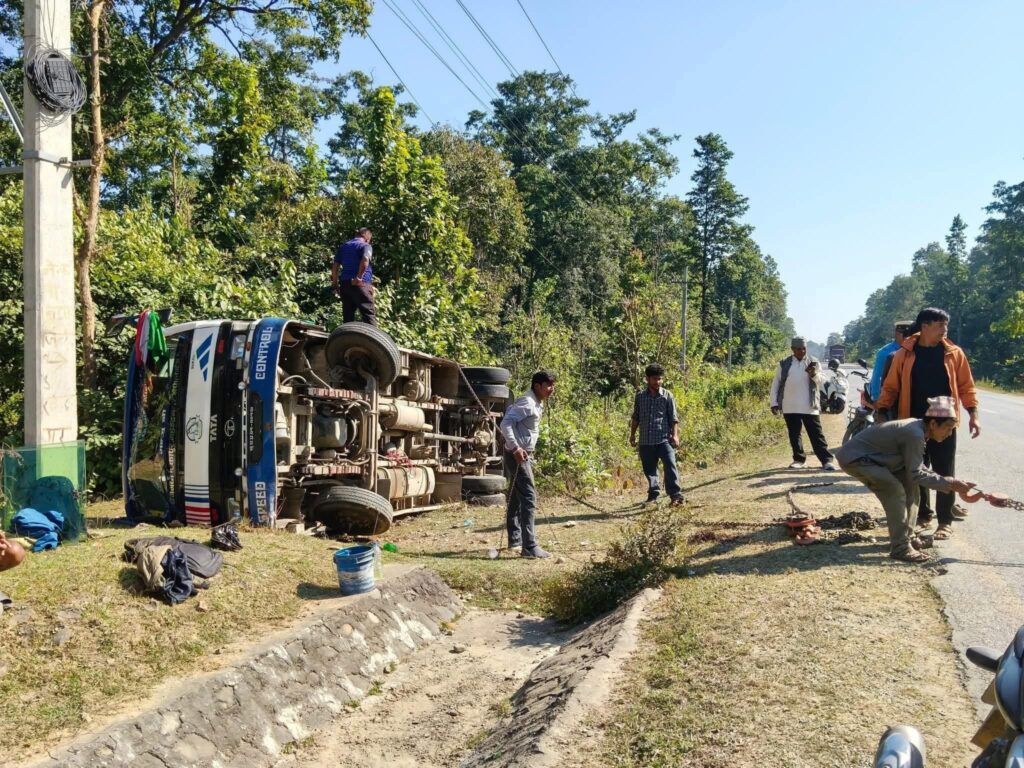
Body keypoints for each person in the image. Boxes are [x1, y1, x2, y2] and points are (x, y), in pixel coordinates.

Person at [874, 307, 980, 540]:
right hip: (914, 425)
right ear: (924, 327)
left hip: (945, 425)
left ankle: (945, 521)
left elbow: (966, 386)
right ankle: (923, 515)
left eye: (946, 325)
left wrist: (973, 413)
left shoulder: (954, 353)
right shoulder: (904, 354)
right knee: (917, 471)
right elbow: (891, 387)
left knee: (945, 471)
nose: (945, 330)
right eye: (940, 325)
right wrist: (881, 410)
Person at [834, 396, 976, 563]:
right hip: (856, 459)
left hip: (873, 458)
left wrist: (949, 481)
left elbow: (916, 470)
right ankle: (900, 547)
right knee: (894, 490)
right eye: (947, 428)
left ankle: (907, 538)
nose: (949, 433)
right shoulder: (915, 434)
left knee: (911, 487)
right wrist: (949, 484)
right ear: (932, 424)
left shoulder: (919, 430)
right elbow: (917, 472)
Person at [499, 370, 557, 559]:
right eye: (548, 385)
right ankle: (529, 546)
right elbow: (505, 423)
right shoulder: (527, 402)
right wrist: (516, 448)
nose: (551, 389)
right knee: (529, 497)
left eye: (552, 385)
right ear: (537, 386)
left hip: (523, 454)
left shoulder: (536, 403)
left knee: (517, 497)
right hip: (517, 455)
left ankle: (515, 539)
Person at [769, 336, 837, 471]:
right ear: (792, 349)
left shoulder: (813, 362)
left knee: (816, 435)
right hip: (789, 405)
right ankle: (799, 460)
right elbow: (776, 384)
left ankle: (826, 460)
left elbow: (823, 381)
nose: (802, 351)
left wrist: (814, 374)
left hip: (809, 406)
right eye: (798, 349)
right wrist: (774, 402)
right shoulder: (784, 363)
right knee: (794, 434)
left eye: (804, 349)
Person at [629, 363, 684, 506]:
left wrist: (675, 435)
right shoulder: (640, 397)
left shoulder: (667, 396)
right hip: (646, 441)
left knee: (670, 465)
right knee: (650, 470)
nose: (658, 382)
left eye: (660, 379)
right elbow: (636, 417)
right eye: (655, 379)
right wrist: (632, 435)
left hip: (664, 439)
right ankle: (653, 495)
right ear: (647, 379)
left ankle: (676, 496)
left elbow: (673, 418)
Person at [332, 227, 376, 325]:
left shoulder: (343, 247)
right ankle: (370, 340)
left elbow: (335, 266)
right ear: (366, 236)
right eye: (370, 238)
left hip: (345, 285)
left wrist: (335, 285)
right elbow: (365, 259)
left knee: (348, 319)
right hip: (361, 284)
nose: (369, 240)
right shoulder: (365, 246)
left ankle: (347, 339)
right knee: (368, 317)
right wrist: (359, 277)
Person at [868, 321, 914, 403]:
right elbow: (877, 376)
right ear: (897, 334)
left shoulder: (915, 350)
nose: (909, 338)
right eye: (906, 335)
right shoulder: (885, 352)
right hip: (890, 396)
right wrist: (877, 398)